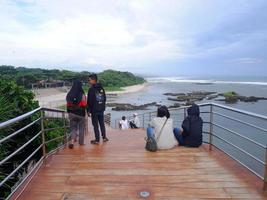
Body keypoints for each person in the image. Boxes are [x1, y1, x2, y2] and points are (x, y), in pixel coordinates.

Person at [87, 74, 108, 145]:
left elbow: (89, 101)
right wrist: (102, 106)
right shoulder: (101, 88)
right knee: (102, 123)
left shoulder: (91, 89)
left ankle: (97, 140)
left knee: (95, 125)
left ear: (93, 80)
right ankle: (104, 137)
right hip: (101, 109)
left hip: (94, 110)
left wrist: (88, 111)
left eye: (89, 80)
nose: (89, 81)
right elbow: (104, 98)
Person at [66, 80, 87, 149]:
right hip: (81, 114)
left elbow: (68, 104)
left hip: (72, 113)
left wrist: (69, 112)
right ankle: (81, 143)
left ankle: (72, 141)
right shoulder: (82, 94)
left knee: (73, 128)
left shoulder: (69, 94)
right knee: (81, 128)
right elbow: (84, 104)